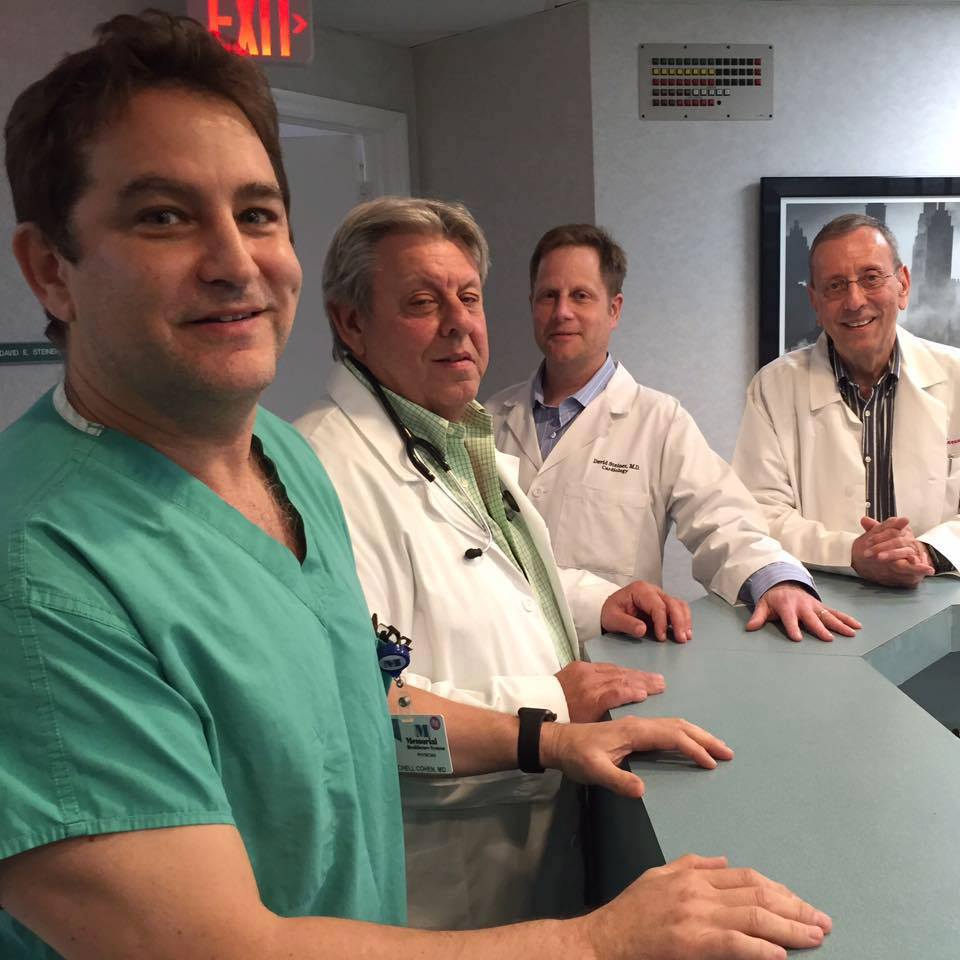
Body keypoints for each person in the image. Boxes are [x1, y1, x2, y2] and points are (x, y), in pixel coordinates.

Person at [0, 12, 832, 960]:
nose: (234, 262)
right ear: (49, 271)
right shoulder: (38, 573)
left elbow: (366, 699)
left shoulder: (283, 463)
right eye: (163, 216)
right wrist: (599, 943)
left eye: (258, 213)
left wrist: (546, 736)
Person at [296, 198, 705, 929]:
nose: (459, 322)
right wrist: (549, 710)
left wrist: (599, 600)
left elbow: (497, 580)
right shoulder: (322, 473)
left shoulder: (458, 437)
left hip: (533, 844)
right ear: (350, 323)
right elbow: (356, 709)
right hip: (444, 888)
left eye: (469, 297)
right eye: (423, 302)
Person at [488, 224, 860, 642]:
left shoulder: (659, 421)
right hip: (504, 647)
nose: (562, 312)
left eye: (581, 296)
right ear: (532, 306)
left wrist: (775, 580)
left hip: (609, 652)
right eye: (548, 296)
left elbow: (723, 520)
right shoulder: (489, 419)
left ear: (614, 309)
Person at [733, 213, 960, 587]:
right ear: (815, 301)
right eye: (835, 286)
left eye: (871, 278)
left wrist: (924, 551)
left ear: (902, 284)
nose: (855, 301)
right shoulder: (774, 387)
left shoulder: (955, 377)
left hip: (943, 592)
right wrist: (850, 552)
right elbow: (758, 513)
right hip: (823, 598)